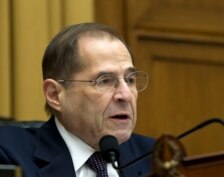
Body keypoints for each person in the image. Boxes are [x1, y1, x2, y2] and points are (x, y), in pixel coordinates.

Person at [0, 23, 155, 177]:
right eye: (105, 80)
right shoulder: (9, 153)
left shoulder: (154, 157)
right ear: (54, 95)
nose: (125, 95)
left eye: (130, 80)